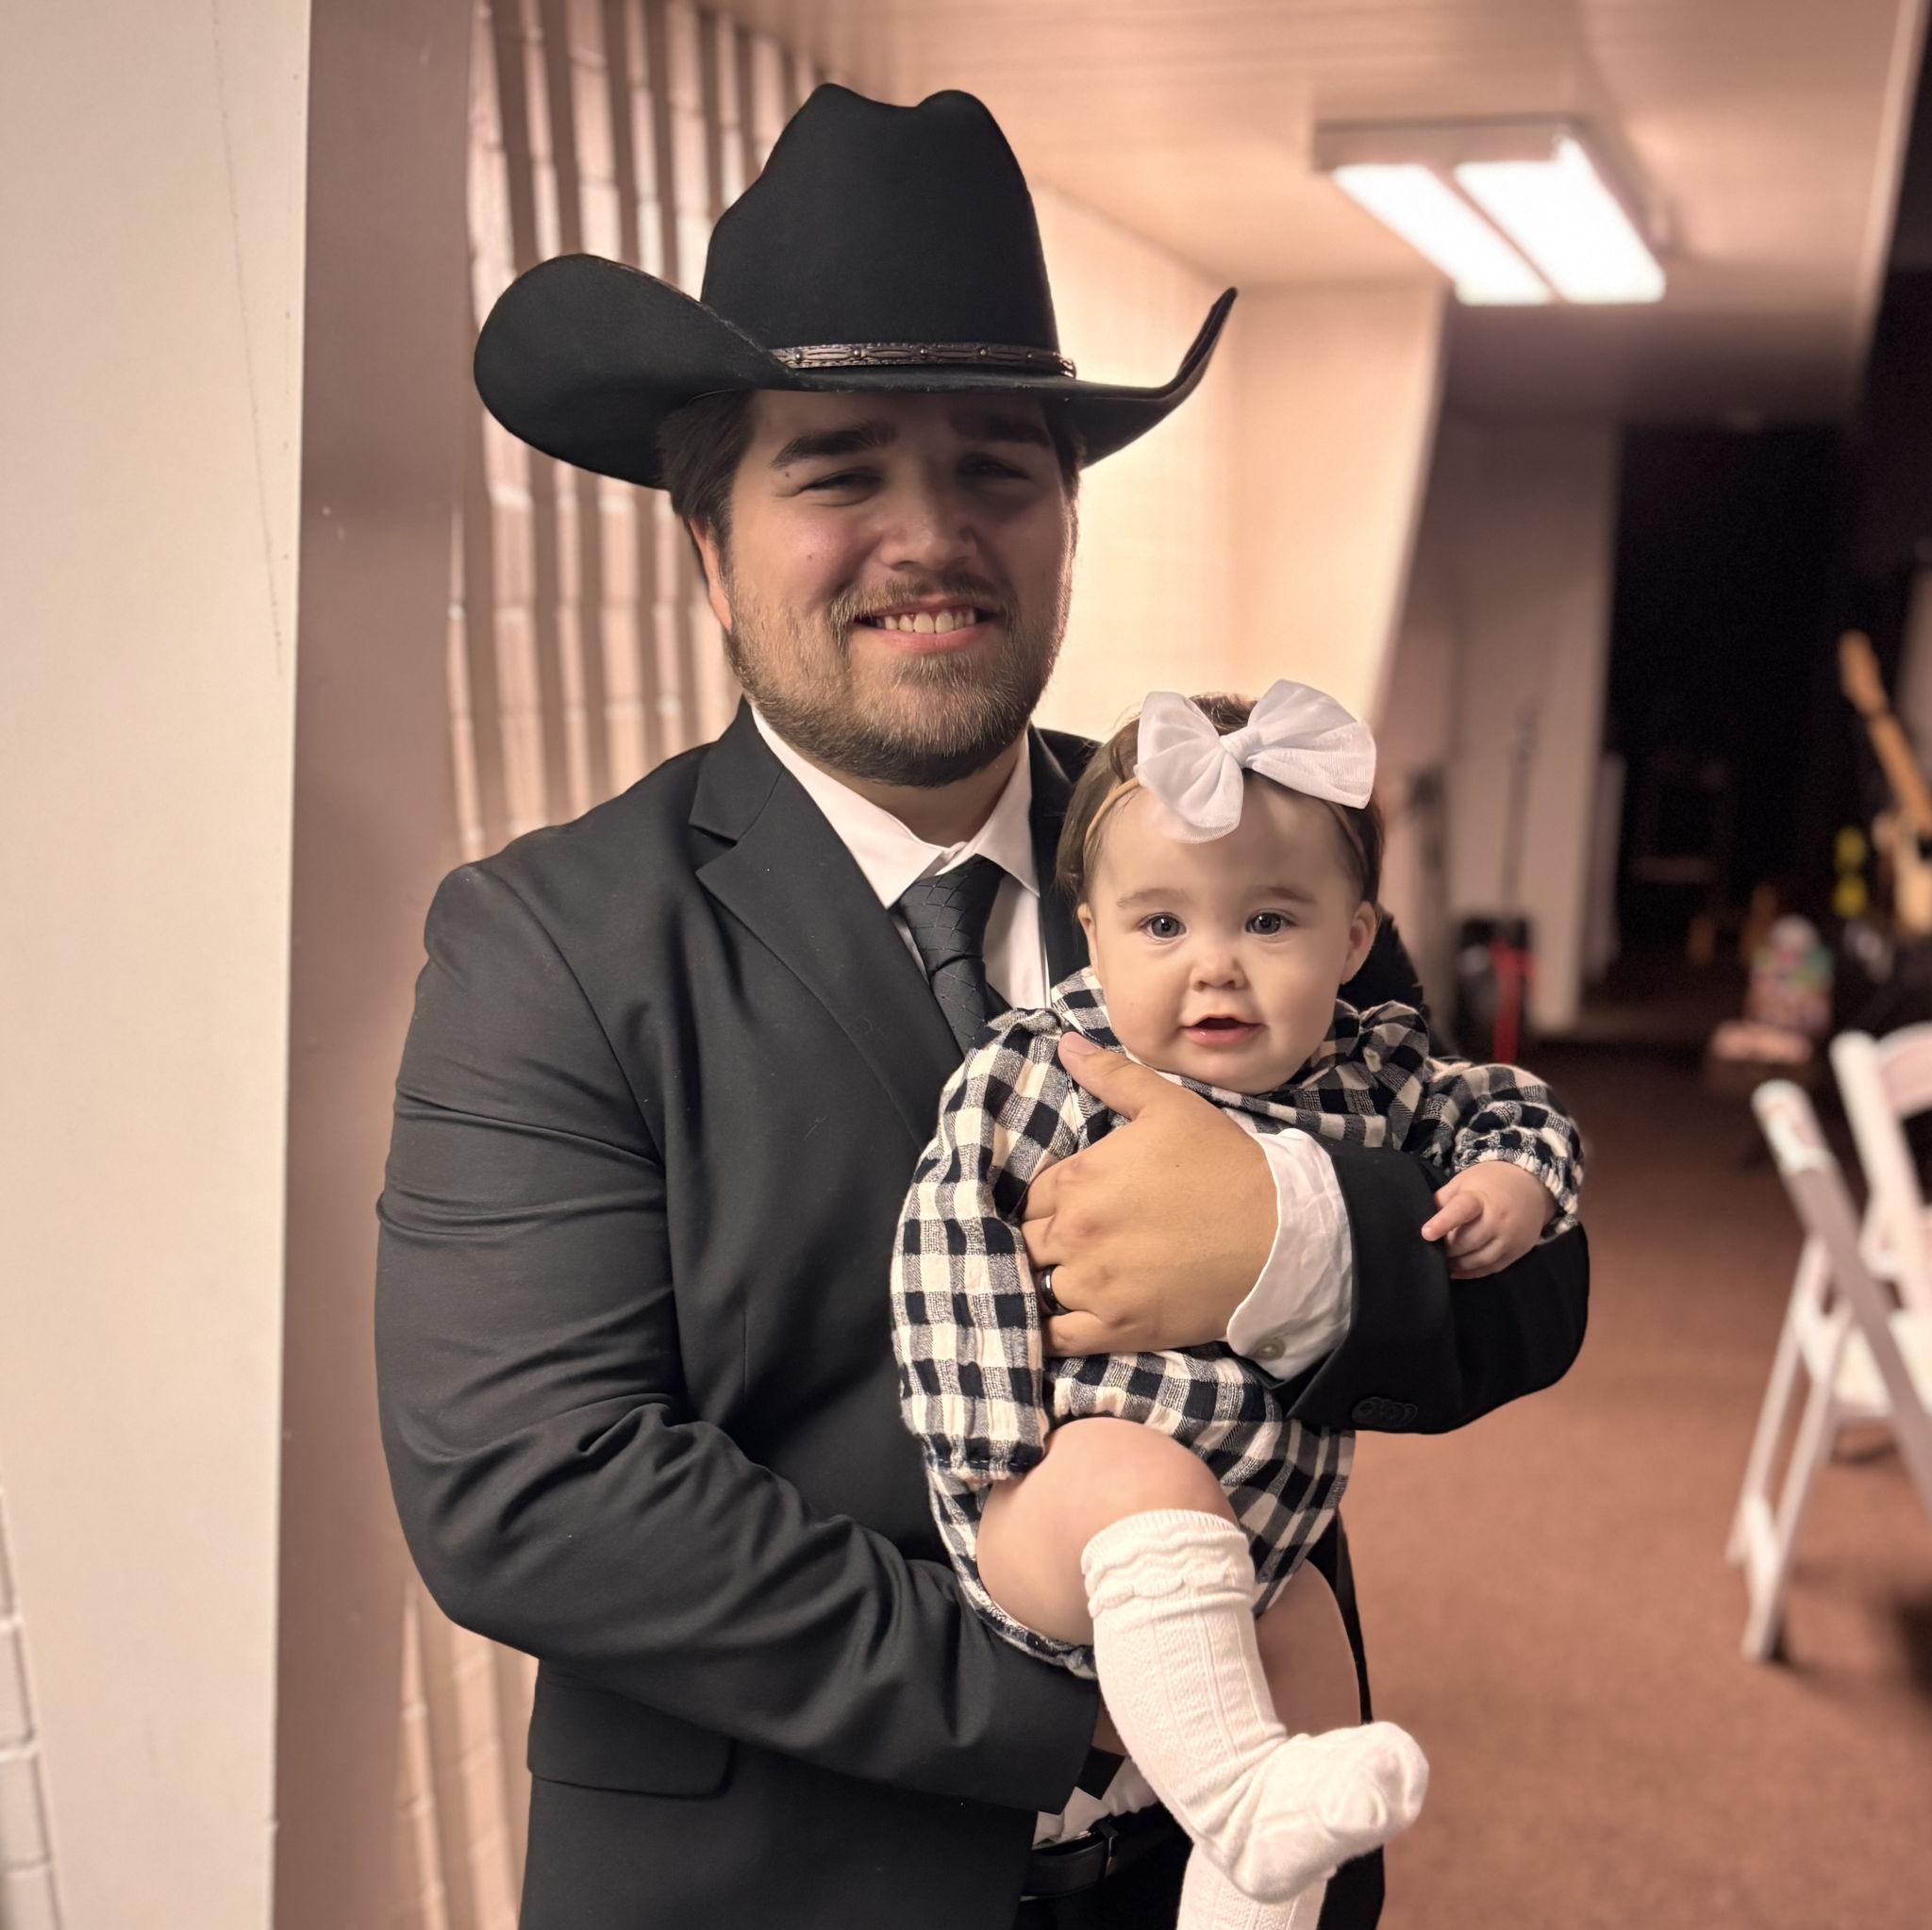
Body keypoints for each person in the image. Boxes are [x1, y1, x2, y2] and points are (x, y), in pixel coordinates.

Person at [375, 83, 1590, 1930]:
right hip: (771, 1886)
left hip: (1219, 1882)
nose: (929, 533)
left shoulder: (1236, 848)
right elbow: (530, 1487)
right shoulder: (547, 941)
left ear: (1065, 523)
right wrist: (1079, 1696)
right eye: (837, 469)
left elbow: (1530, 1297)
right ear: (708, 545)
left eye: (996, 470)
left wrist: (1291, 1240)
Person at [893, 682, 1584, 1930]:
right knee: (1142, 1482)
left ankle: (1252, 1889)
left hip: (1268, 1545)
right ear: (1092, 934)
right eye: (1162, 924)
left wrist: (1509, 1181)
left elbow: (1508, 1108)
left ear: (1354, 937)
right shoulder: (1051, 1062)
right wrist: (986, 1440)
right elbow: (949, 1227)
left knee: (1317, 1704)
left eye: (1268, 921)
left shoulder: (1369, 1064)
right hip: (1062, 1503)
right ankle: (1243, 1799)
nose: (1214, 962)